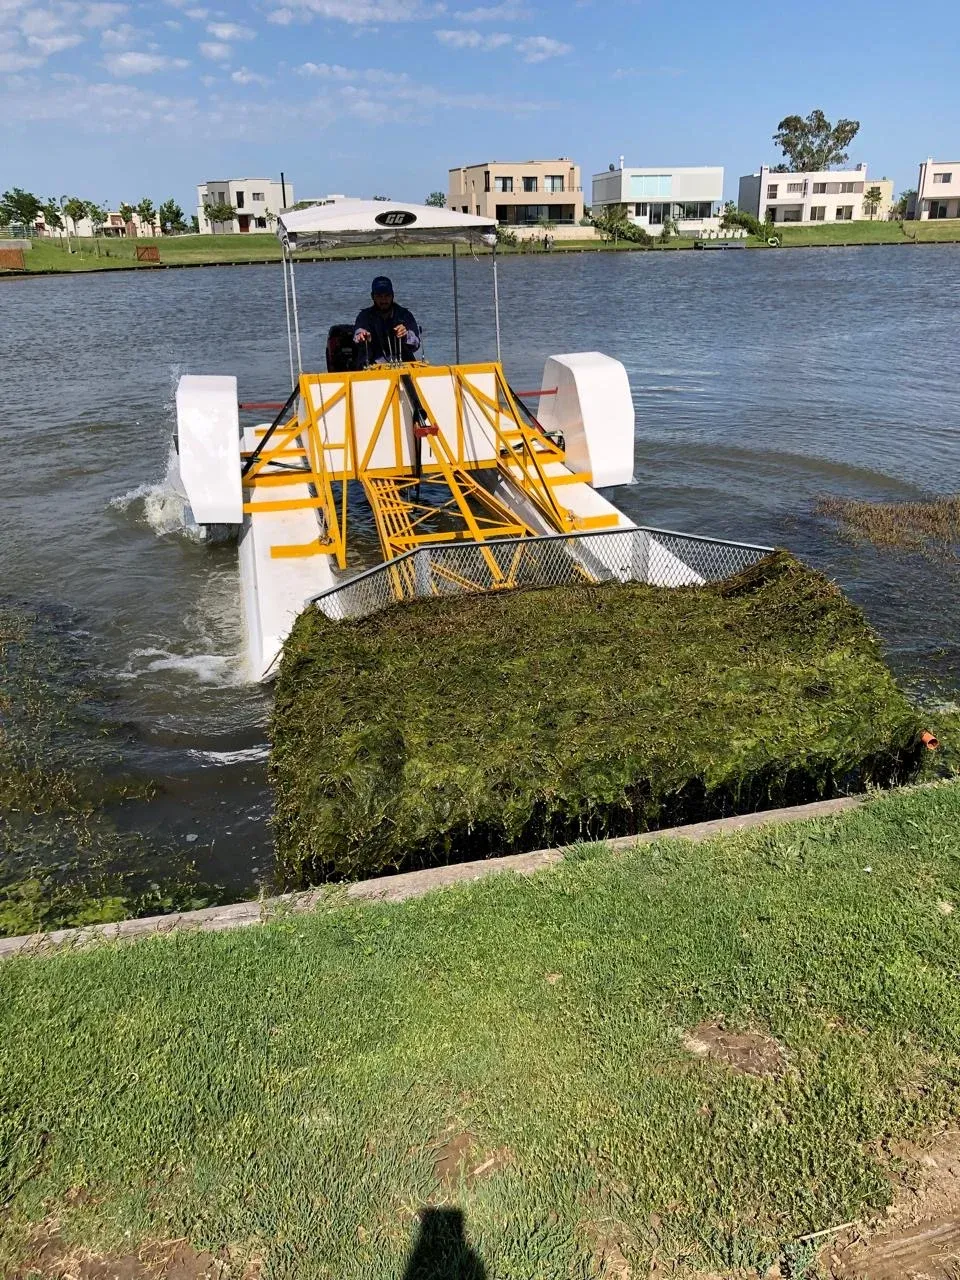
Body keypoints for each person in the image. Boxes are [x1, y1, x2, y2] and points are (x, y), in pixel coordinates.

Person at [353, 276, 421, 365]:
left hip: (402, 365)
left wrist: (405, 335)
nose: (383, 300)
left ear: (393, 295)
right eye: (379, 296)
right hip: (372, 366)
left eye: (387, 295)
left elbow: (416, 344)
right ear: (372, 296)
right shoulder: (364, 316)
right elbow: (358, 332)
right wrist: (363, 336)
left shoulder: (405, 315)